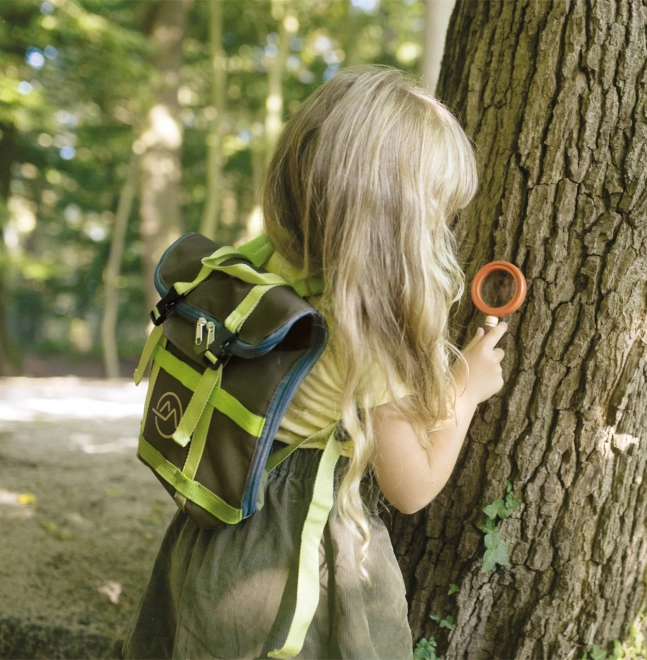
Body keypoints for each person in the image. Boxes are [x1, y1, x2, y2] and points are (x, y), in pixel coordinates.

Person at [123, 65, 508, 660]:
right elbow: (412, 487)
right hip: (289, 563)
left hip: (213, 537)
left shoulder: (265, 265)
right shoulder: (368, 333)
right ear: (397, 222)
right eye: (436, 209)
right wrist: (467, 386)